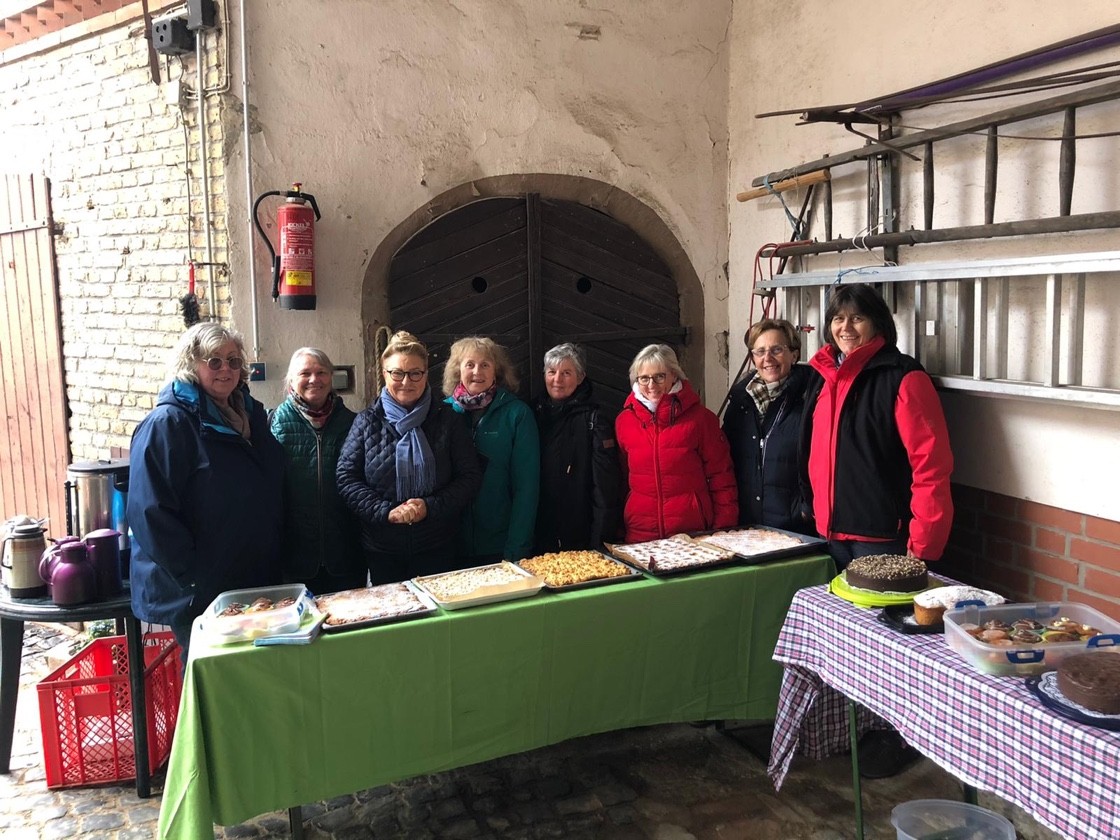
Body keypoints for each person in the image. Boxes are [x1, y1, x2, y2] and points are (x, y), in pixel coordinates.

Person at [800, 282, 954, 779]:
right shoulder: (828, 378)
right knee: (864, 645)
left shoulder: (903, 379)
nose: (845, 328)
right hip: (839, 535)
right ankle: (869, 725)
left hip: (886, 540)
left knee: (900, 647)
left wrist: (922, 549)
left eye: (856, 318)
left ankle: (900, 736)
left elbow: (931, 467)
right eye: (837, 319)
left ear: (878, 323)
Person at [127, 322, 284, 661]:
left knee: (247, 673)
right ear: (191, 365)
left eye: (233, 360)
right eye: (213, 361)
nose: (225, 369)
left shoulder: (250, 415)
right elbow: (149, 513)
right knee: (210, 675)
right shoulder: (168, 424)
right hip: (199, 589)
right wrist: (194, 578)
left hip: (245, 576)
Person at [337, 331, 482, 584]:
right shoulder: (366, 421)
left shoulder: (448, 420)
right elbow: (346, 478)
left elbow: (469, 477)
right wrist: (386, 511)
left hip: (438, 544)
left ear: (426, 374)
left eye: (415, 373)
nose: (406, 382)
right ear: (384, 374)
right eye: (397, 373)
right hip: (383, 549)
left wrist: (430, 506)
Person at [615, 344, 737, 542]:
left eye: (659, 376)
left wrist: (723, 529)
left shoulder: (701, 419)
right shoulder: (624, 421)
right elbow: (620, 480)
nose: (651, 385)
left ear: (674, 375)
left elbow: (721, 476)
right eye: (644, 378)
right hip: (641, 534)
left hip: (692, 533)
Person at [270, 347, 365, 594]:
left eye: (321, 372)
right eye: (305, 373)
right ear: (291, 380)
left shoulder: (354, 423)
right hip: (294, 557)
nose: (314, 379)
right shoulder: (272, 425)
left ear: (331, 377)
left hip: (345, 553)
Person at [443, 336, 540, 563]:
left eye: (485, 364)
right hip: (449, 544)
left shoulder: (517, 414)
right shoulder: (442, 413)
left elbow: (526, 487)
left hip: (499, 544)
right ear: (458, 370)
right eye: (470, 364)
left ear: (496, 371)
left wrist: (517, 547)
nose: (477, 371)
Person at [723, 319, 815, 534]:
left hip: (796, 528)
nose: (768, 358)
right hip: (748, 527)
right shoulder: (740, 402)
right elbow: (725, 461)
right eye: (760, 351)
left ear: (794, 354)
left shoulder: (811, 397)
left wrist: (805, 508)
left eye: (777, 350)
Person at [532, 343, 621, 552]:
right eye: (552, 372)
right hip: (539, 534)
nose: (557, 380)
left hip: (580, 535)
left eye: (566, 373)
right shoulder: (532, 413)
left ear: (580, 378)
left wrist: (599, 542)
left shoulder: (594, 420)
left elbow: (604, 489)